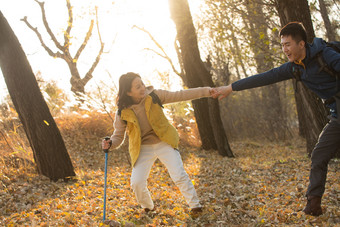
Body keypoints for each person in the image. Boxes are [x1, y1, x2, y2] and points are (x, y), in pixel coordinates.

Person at [214, 22, 340, 216]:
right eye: (282, 45)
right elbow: (265, 77)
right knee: (319, 155)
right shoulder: (294, 68)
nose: (285, 49)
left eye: (288, 44)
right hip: (337, 117)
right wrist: (231, 87)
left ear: (301, 44)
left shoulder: (326, 56)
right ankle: (313, 204)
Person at [102, 72, 217, 214]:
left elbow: (181, 94)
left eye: (142, 84)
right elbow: (118, 136)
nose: (143, 88)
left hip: (164, 141)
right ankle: (148, 208)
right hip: (142, 148)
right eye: (138, 87)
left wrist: (207, 91)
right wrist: (110, 143)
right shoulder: (122, 112)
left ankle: (195, 206)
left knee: (179, 175)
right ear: (128, 92)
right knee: (136, 183)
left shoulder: (155, 96)